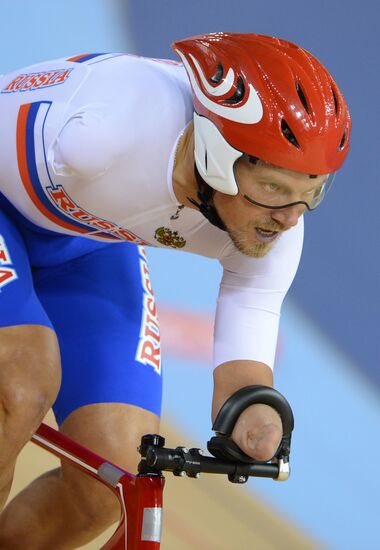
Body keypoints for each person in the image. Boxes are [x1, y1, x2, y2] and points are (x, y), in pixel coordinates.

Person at [0, 32, 350, 547]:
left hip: (90, 242)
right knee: (22, 377)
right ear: (213, 153)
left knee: (114, 478)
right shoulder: (101, 136)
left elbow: (246, 343)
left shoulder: (281, 226)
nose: (287, 219)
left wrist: (251, 413)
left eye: (309, 192)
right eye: (272, 189)